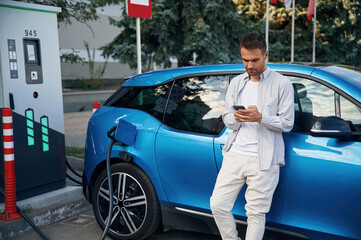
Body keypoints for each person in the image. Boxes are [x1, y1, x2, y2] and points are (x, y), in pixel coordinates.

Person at [210, 32, 295, 240]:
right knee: (218, 204)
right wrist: (236, 117)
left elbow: (287, 123)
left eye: (254, 60)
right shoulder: (237, 83)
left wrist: (260, 118)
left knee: (256, 214)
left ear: (266, 55)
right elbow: (227, 118)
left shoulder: (282, 84)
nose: (249, 65)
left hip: (264, 159)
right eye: (245, 60)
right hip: (235, 154)